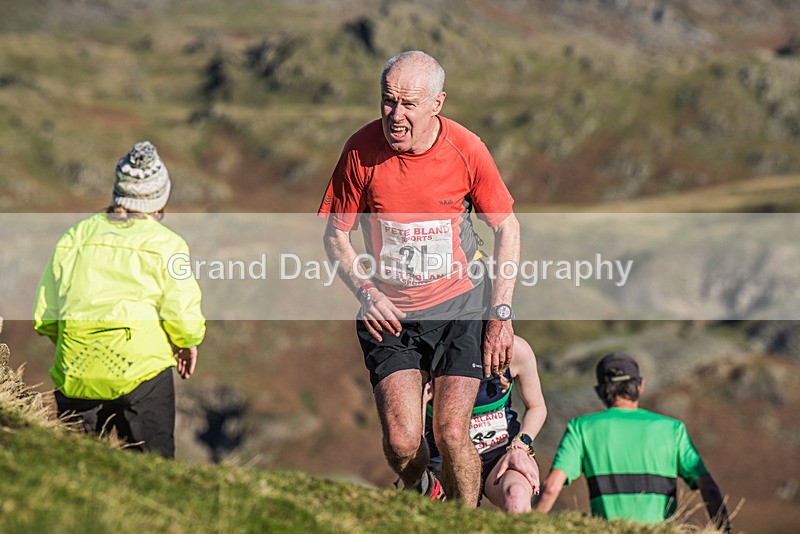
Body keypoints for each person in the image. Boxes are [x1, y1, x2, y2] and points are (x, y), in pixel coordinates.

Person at [319, 50, 520, 505]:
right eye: (388, 101)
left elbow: (507, 226)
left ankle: (463, 520)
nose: (396, 115)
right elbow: (336, 236)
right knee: (403, 442)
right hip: (391, 313)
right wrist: (366, 293)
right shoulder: (360, 150)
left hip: (461, 306)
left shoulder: (467, 149)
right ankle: (419, 490)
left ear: (437, 103)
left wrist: (500, 315)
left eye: (409, 104)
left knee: (451, 433)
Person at [33, 140, 206, 459]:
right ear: (160, 197)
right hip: (142, 374)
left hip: (77, 370)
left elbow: (46, 315)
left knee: (76, 470)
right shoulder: (168, 244)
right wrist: (186, 341)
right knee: (154, 472)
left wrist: (77, 345)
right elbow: (182, 313)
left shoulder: (76, 236)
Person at [536, 352, 732, 531]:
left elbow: (552, 487)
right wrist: (725, 530)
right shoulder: (672, 429)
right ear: (640, 386)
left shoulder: (581, 428)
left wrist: (529, 525)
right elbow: (709, 487)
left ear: (600, 391)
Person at [422, 336, 546, 512]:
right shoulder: (430, 356)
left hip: (499, 454)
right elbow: (409, 431)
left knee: (516, 495)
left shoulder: (516, 350)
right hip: (443, 460)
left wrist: (521, 445)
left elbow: (537, 407)